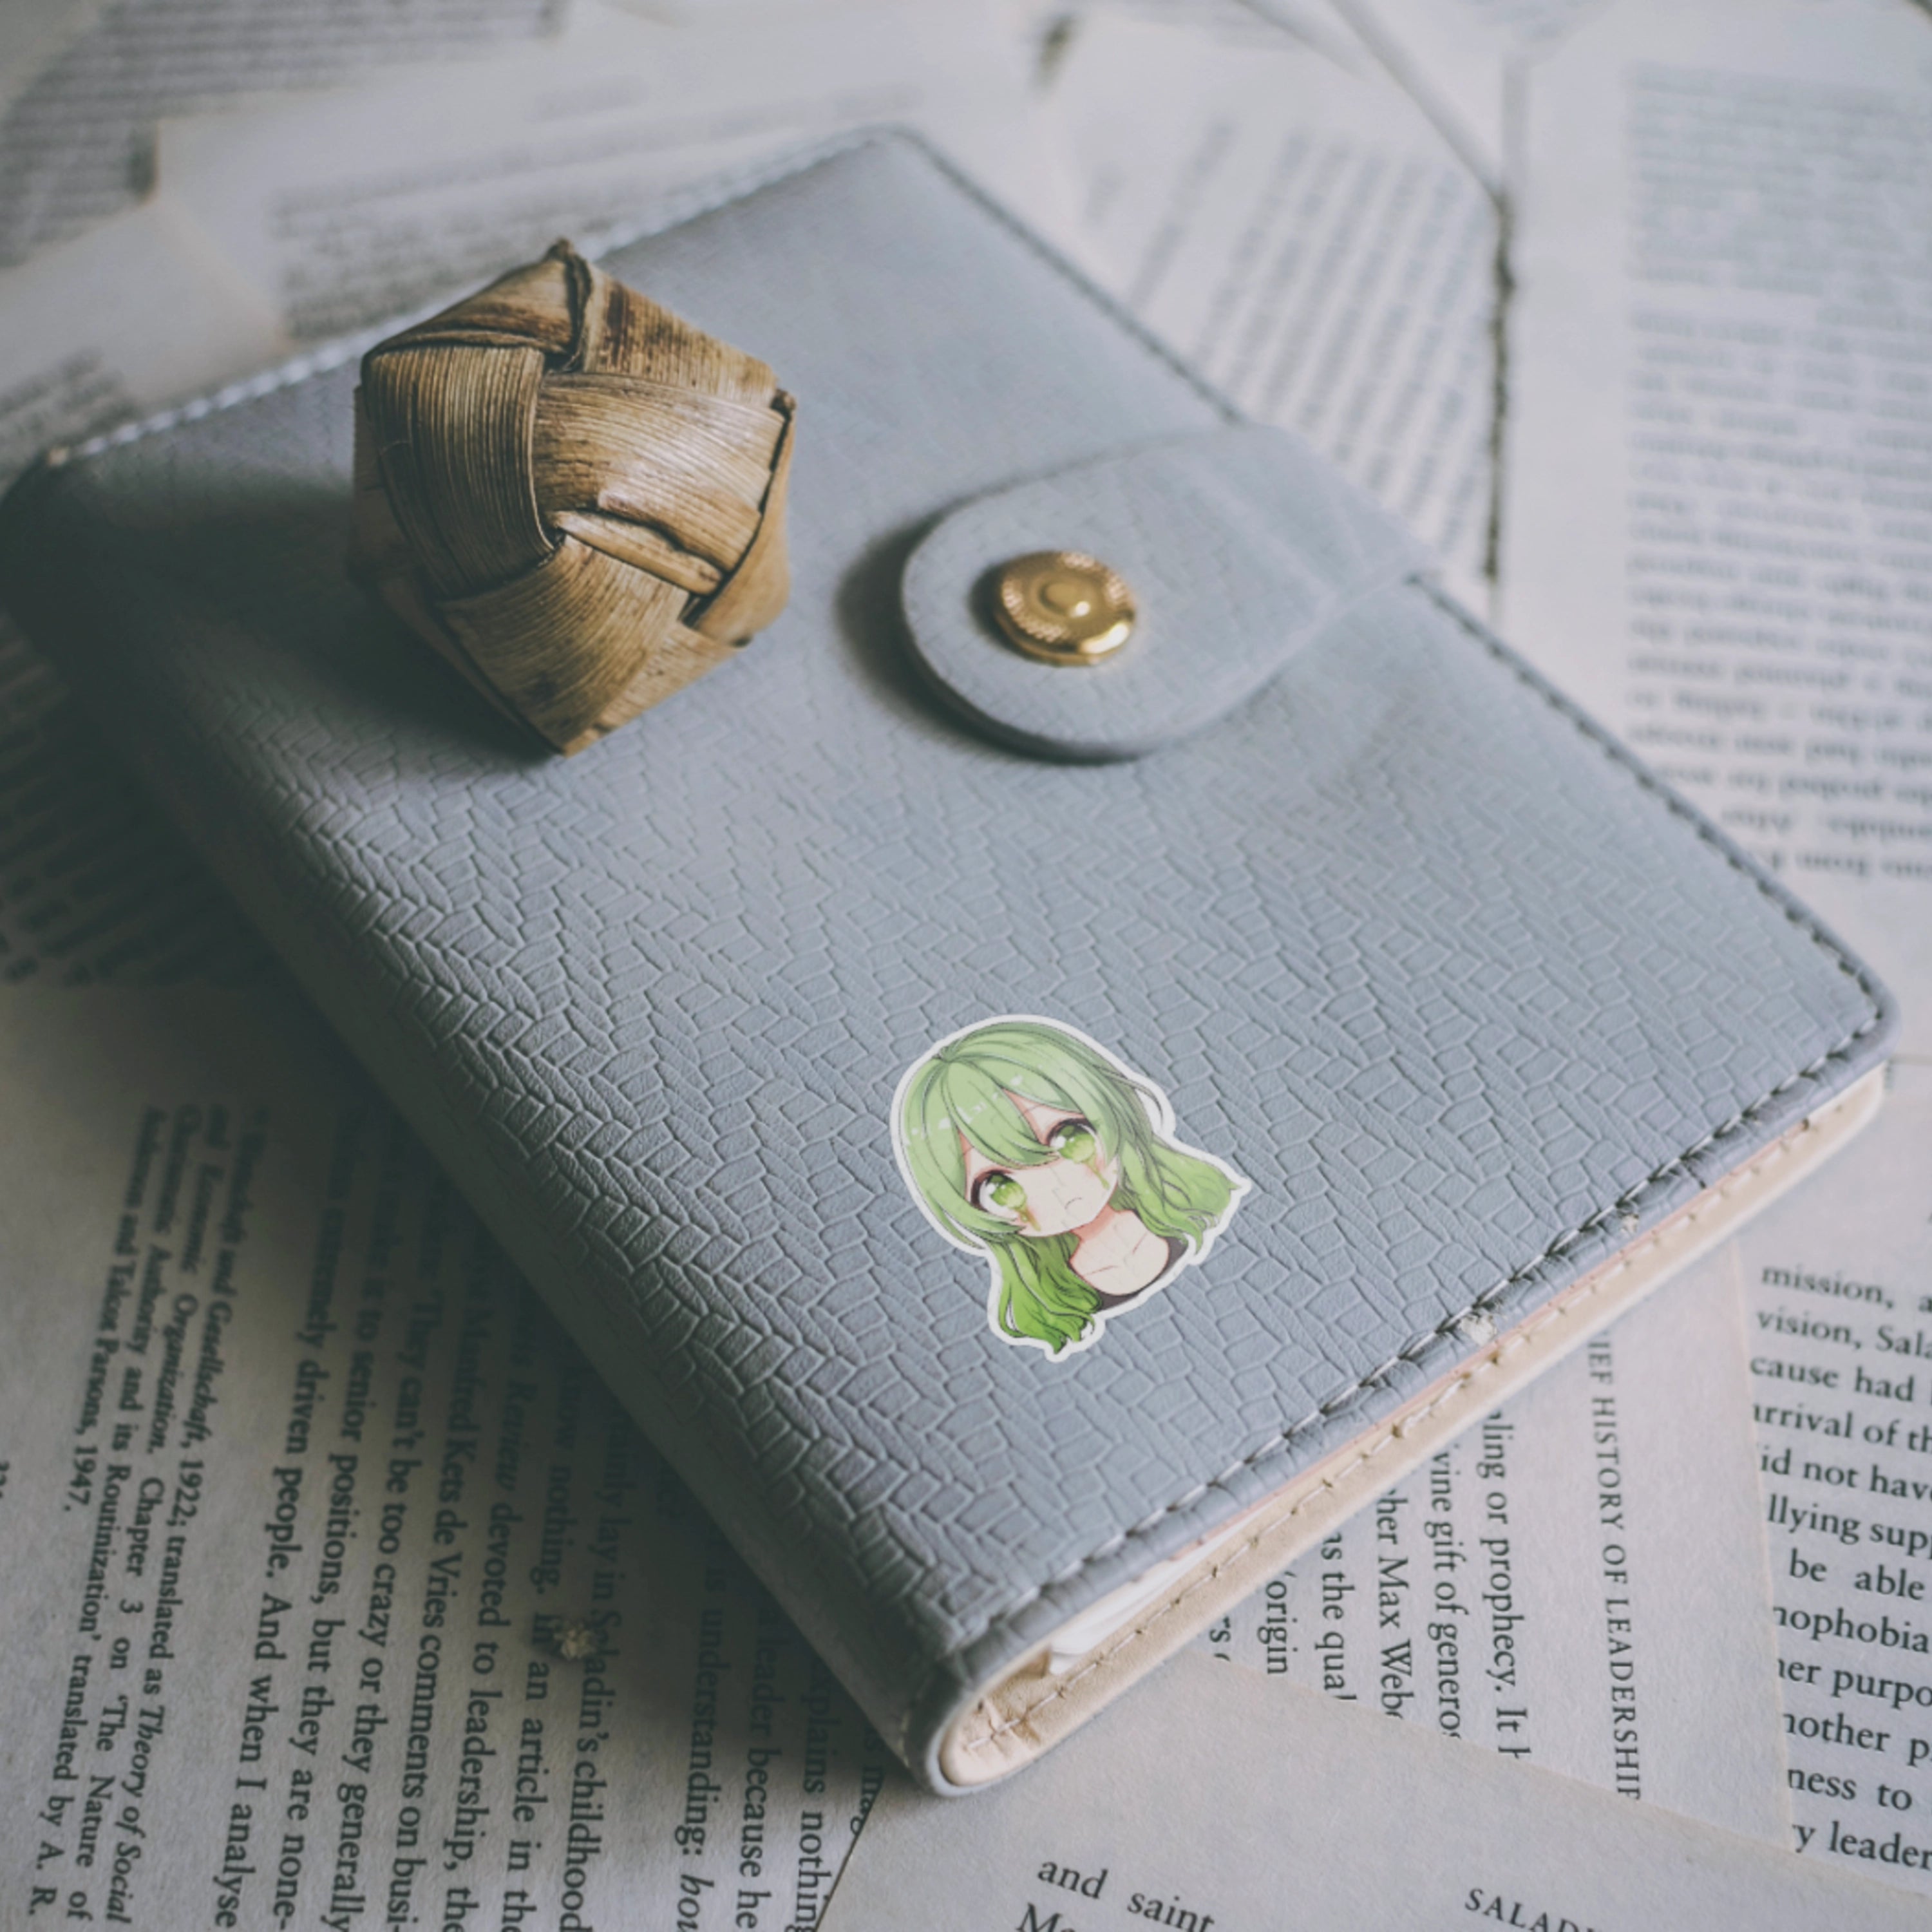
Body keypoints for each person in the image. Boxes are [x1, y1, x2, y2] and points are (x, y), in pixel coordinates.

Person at [893, 1016, 1248, 1358]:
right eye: (998, 1188)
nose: (1054, 1188)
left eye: (1071, 1138)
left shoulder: (1196, 1204)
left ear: (1110, 1107)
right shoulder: (1048, 1312)